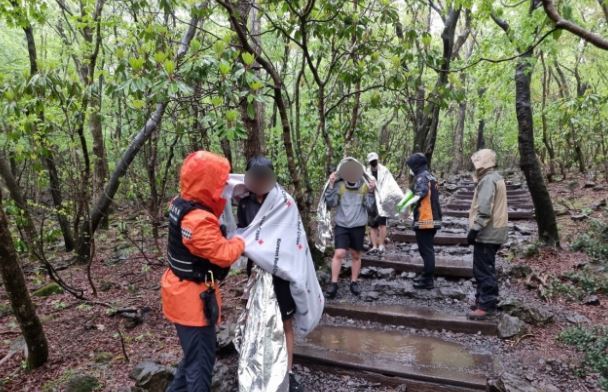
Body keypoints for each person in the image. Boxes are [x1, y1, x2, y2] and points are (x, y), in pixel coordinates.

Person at [161, 151, 245, 392]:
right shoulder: (197, 220)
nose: (223, 187)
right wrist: (242, 240)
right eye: (220, 181)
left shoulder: (181, 203)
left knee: (191, 358)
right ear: (207, 183)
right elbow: (224, 253)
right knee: (200, 368)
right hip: (192, 303)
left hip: (181, 294)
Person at [236, 156, 302, 392]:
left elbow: (293, 238)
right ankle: (259, 369)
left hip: (280, 272)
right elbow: (244, 234)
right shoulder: (244, 203)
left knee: (285, 321)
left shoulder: (283, 203)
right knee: (258, 318)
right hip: (255, 272)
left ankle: (289, 372)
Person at [466, 149, 508, 320]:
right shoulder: (495, 177)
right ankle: (483, 300)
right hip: (495, 229)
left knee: (483, 269)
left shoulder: (488, 180)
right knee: (485, 267)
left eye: (476, 162)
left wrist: (475, 229)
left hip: (488, 231)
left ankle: (486, 305)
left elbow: (484, 208)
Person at [324, 163, 376, 299]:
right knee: (339, 253)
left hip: (358, 226)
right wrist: (330, 185)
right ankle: (334, 283)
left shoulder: (364, 185)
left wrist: (371, 192)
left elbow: (371, 209)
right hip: (342, 225)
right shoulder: (339, 185)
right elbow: (331, 203)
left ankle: (354, 282)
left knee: (356, 255)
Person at [402, 153, 442, 290]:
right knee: (427, 249)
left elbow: (422, 192)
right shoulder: (431, 176)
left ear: (416, 165)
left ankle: (428, 280)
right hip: (433, 218)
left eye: (411, 166)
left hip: (425, 220)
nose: (410, 169)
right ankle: (426, 275)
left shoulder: (421, 178)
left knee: (426, 251)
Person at [365, 152, 397, 256]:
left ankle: (381, 244)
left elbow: (390, 185)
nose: (373, 162)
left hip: (382, 200)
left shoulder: (384, 171)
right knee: (373, 225)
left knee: (382, 223)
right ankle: (374, 245)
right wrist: (370, 188)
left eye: (374, 160)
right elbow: (364, 187)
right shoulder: (366, 172)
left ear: (377, 159)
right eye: (371, 161)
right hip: (371, 200)